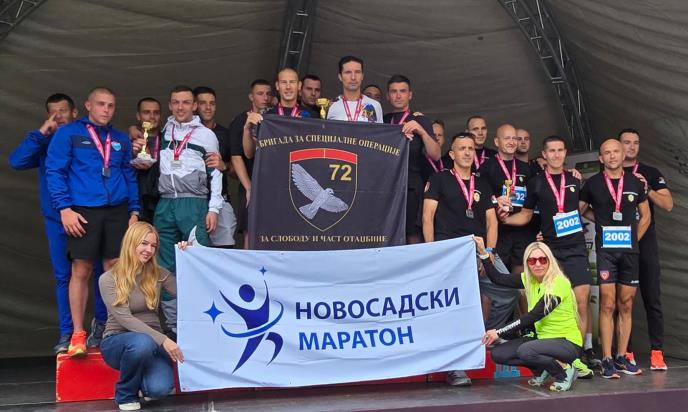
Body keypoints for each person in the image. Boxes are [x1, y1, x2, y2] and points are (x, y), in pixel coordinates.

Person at [9, 93, 107, 353]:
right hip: (57, 219)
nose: (58, 116)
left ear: (75, 112)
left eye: (62, 111)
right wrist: (42, 132)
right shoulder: (47, 142)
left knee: (99, 272)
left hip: (88, 216)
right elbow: (16, 161)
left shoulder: (88, 139)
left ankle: (102, 327)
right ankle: (68, 333)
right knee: (65, 276)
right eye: (53, 112)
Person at [46, 87, 140, 357]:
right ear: (88, 105)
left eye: (110, 105)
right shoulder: (69, 133)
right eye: (101, 104)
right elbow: (55, 171)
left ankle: (113, 329)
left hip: (117, 210)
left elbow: (128, 175)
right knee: (82, 269)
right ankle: (77, 333)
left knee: (115, 270)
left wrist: (134, 210)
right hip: (83, 210)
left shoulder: (119, 138)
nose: (106, 110)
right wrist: (64, 208)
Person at [498, 135, 595, 377]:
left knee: (581, 302)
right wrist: (503, 220)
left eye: (560, 150)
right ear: (544, 154)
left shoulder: (576, 179)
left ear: (565, 153)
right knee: (548, 305)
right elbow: (527, 214)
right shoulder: (536, 182)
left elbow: (585, 206)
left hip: (576, 248)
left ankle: (579, 356)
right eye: (551, 151)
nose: (556, 155)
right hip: (550, 251)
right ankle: (556, 356)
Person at [422, 132, 502, 387]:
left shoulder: (482, 182)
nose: (467, 152)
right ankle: (455, 368)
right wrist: (432, 252)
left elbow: (491, 221)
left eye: (471, 148)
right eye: (462, 148)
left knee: (508, 292)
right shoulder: (439, 179)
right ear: (452, 154)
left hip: (477, 248)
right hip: (449, 250)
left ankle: (488, 335)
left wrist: (489, 252)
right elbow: (427, 217)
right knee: (454, 306)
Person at [579, 138, 650, 378]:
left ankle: (622, 356)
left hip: (630, 252)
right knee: (608, 303)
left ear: (623, 154)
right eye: (607, 152)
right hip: (606, 251)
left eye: (616, 151)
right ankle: (607, 358)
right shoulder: (593, 183)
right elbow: (580, 210)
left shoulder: (635, 182)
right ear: (601, 158)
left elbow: (646, 216)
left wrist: (633, 240)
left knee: (626, 304)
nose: (612, 156)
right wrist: (599, 219)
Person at [155, 85, 223, 335]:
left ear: (194, 106)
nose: (180, 107)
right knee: (164, 266)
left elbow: (216, 172)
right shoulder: (164, 131)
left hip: (194, 203)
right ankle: (174, 326)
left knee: (198, 261)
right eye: (176, 102)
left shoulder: (205, 135)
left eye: (185, 102)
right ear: (170, 105)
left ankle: (202, 322)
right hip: (165, 202)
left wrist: (213, 208)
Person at [99, 222, 183, 411]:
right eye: (144, 243)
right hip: (118, 340)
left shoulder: (159, 274)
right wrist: (165, 340)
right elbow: (124, 318)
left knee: (159, 389)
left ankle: (143, 381)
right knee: (141, 342)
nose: (149, 250)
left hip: (152, 343)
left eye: (153, 246)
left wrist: (189, 256)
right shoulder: (108, 279)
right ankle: (125, 394)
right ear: (131, 242)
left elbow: (188, 292)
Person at [481, 238, 582, 392]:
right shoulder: (529, 279)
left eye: (542, 259)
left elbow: (534, 315)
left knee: (526, 351)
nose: (538, 264)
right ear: (527, 263)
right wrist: (483, 253)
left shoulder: (559, 283)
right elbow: (498, 279)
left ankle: (564, 371)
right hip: (542, 340)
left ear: (550, 261)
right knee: (499, 354)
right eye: (532, 261)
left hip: (566, 343)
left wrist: (499, 332)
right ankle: (542, 370)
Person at [619, 128, 673, 371]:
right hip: (619, 241)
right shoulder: (609, 171)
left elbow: (668, 204)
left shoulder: (650, 172)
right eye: (626, 142)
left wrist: (647, 189)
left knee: (652, 297)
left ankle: (657, 352)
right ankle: (625, 351)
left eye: (635, 143)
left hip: (645, 240)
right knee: (622, 299)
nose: (631, 147)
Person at [384, 74, 441, 244]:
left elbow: (436, 154)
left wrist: (421, 131)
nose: (398, 95)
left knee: (412, 233)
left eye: (402, 91)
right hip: (386, 183)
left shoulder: (420, 120)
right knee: (385, 230)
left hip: (411, 184)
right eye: (394, 91)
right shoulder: (383, 120)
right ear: (387, 96)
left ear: (410, 95)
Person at [479, 124, 534, 274]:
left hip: (523, 231)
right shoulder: (486, 167)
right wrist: (495, 201)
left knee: (521, 280)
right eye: (507, 138)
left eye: (514, 138)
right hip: (497, 231)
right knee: (496, 277)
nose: (512, 142)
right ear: (497, 142)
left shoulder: (526, 168)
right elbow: (478, 197)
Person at [227, 79, 272, 249]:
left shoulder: (274, 118)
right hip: (250, 182)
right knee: (249, 230)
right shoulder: (240, 120)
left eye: (268, 94)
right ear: (251, 96)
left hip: (272, 184)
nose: (265, 98)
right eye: (260, 94)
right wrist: (248, 187)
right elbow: (236, 157)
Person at [194, 86, 237, 248]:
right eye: (203, 103)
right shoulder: (183, 132)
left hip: (220, 200)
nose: (208, 107)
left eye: (212, 103)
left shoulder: (225, 134)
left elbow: (236, 171)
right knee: (193, 250)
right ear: (194, 105)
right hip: (192, 200)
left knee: (224, 252)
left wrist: (224, 165)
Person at [129, 98, 163, 224]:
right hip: (137, 201)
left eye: (156, 113)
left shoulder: (170, 140)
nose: (152, 116)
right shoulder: (129, 141)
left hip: (162, 201)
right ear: (138, 116)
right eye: (146, 112)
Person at [326, 56, 383, 123]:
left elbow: (379, 129)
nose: (353, 77)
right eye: (348, 72)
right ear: (340, 77)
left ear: (362, 76)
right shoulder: (330, 105)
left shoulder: (374, 105)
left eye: (357, 72)